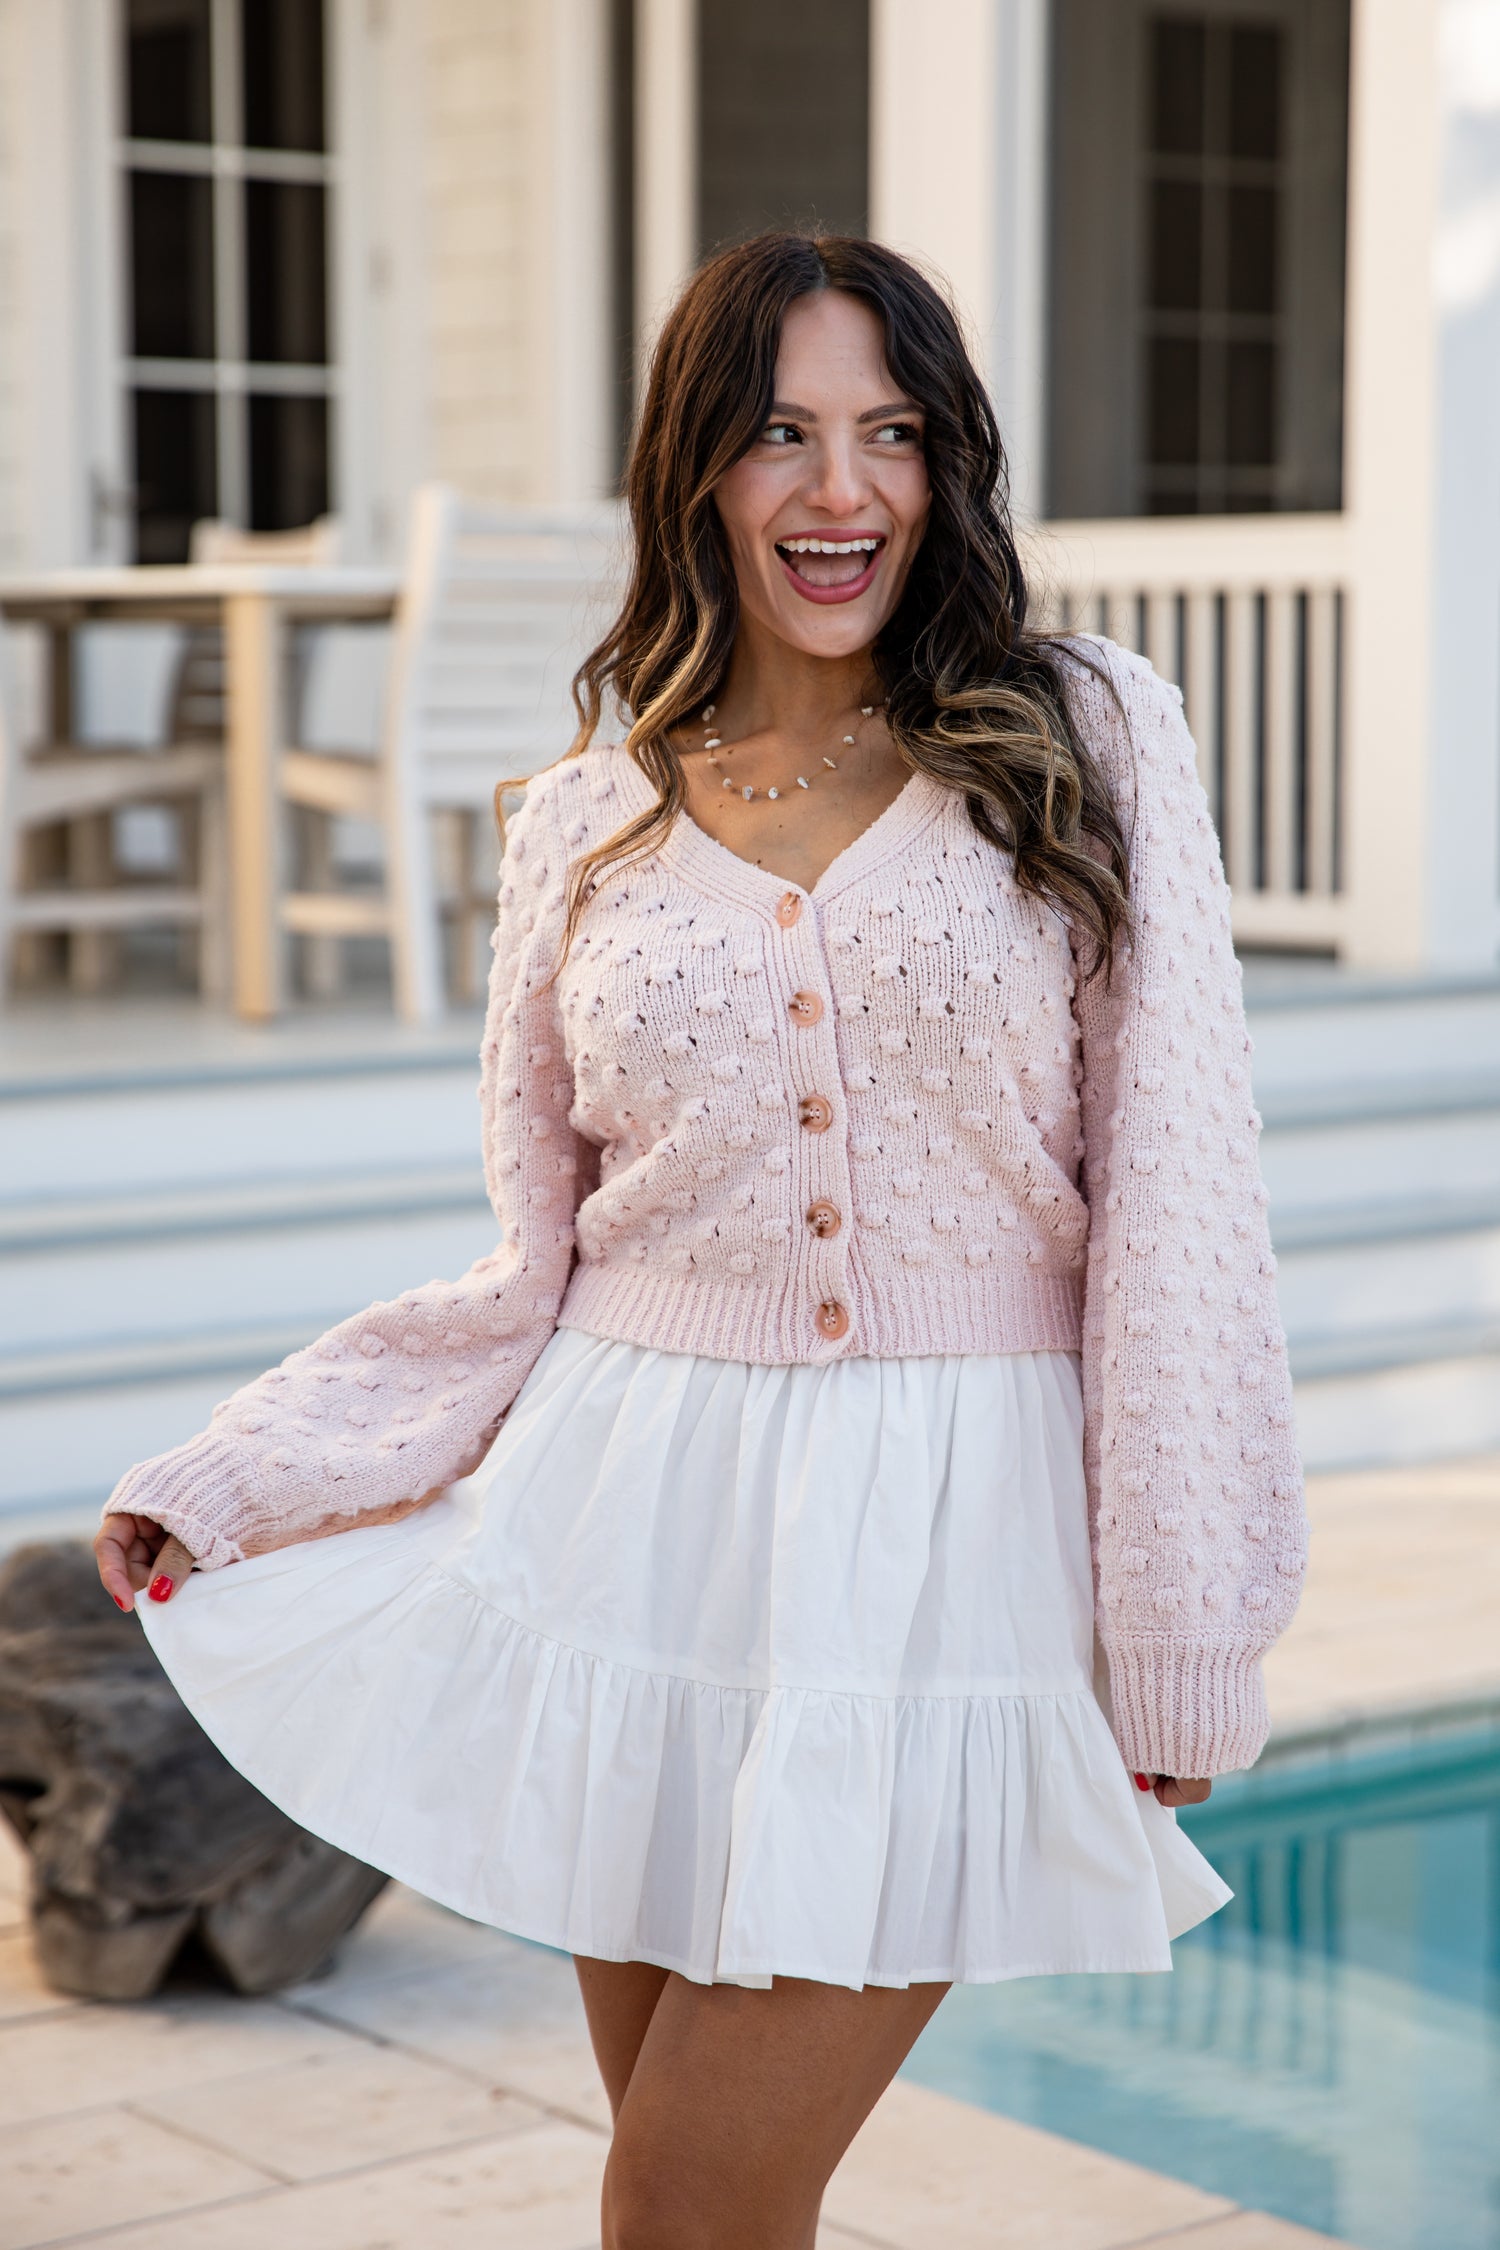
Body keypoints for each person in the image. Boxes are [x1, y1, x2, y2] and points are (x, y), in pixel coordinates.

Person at [96, 232, 1305, 2250]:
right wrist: (250, 1474)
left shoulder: (1082, 735)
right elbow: (530, 1265)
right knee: (707, 2215)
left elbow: (1187, 1208)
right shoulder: (584, 812)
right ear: (695, 475)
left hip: (942, 1544)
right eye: (779, 436)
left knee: (683, 2201)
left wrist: (1183, 1624)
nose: (845, 491)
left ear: (945, 463)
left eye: (891, 432)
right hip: (630, 1529)